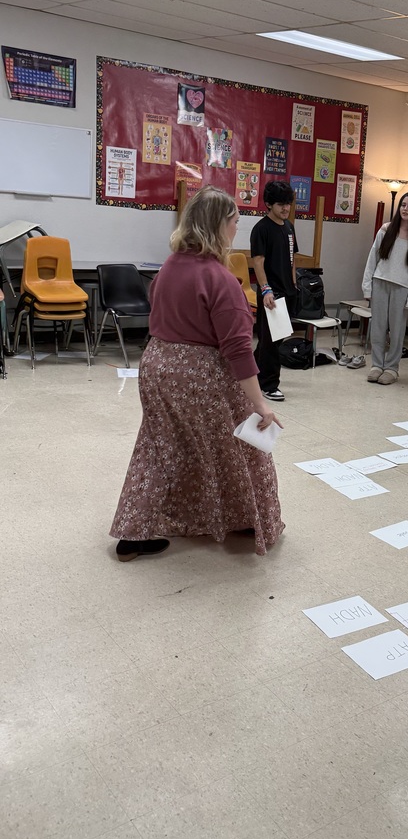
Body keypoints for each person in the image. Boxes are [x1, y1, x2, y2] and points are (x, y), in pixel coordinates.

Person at [111, 186, 284, 562]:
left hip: (157, 367)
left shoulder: (170, 265)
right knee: (243, 443)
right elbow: (238, 351)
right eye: (235, 221)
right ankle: (247, 518)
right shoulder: (220, 280)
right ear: (219, 225)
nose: (238, 228)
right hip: (198, 376)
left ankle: (132, 533)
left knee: (158, 448)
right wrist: (260, 405)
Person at [361, 192, 408, 385]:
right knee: (378, 327)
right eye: (403, 205)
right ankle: (376, 365)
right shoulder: (386, 229)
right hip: (380, 282)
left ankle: (391, 368)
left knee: (397, 331)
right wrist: (367, 287)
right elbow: (372, 259)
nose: (405, 209)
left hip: (402, 289)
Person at [250, 180, 299, 402]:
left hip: (287, 291)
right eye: (281, 204)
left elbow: (292, 258)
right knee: (270, 341)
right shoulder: (261, 229)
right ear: (269, 204)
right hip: (271, 293)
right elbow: (258, 262)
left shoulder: (288, 227)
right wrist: (266, 290)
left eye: (288, 203)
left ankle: (250, 369)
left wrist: (294, 284)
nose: (286, 208)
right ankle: (269, 385)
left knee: (275, 339)